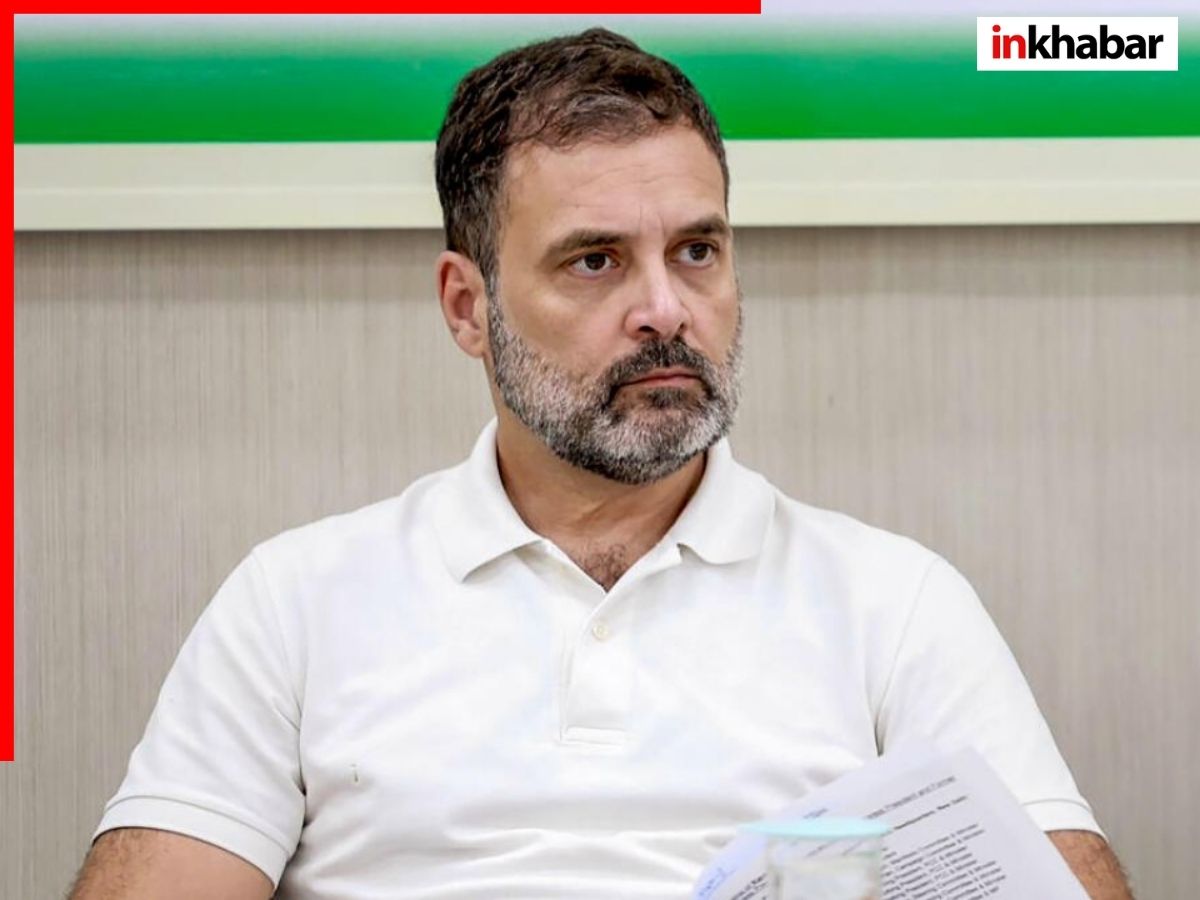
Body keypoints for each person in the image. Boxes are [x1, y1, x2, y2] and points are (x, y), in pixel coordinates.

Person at [70, 28, 1132, 900]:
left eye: (697, 251)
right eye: (595, 260)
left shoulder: (893, 603)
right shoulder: (297, 600)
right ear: (468, 307)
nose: (666, 310)